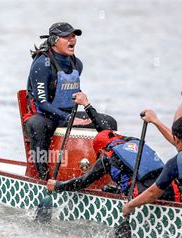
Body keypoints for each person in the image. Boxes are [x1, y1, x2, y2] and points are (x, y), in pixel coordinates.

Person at [23, 22, 116, 179]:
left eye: (73, 36)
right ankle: (42, 177)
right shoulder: (41, 65)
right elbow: (42, 103)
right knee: (38, 125)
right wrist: (68, 119)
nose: (72, 39)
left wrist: (83, 105)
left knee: (109, 123)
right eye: (66, 36)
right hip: (43, 116)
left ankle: (103, 175)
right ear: (53, 40)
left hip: (67, 116)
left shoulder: (77, 64)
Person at [47, 126, 175, 200]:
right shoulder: (135, 142)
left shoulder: (106, 158)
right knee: (109, 188)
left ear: (101, 150)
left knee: (107, 189)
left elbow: (81, 182)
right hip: (170, 189)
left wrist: (58, 186)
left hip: (142, 195)